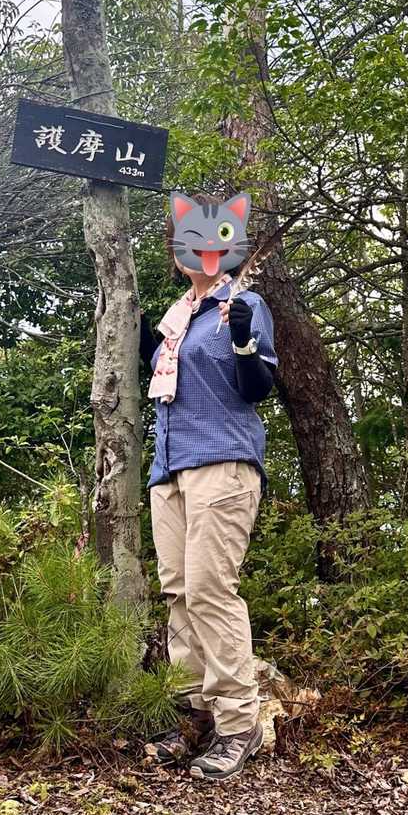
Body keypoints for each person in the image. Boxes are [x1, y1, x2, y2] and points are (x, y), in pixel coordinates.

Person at [140, 191, 277, 783]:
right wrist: (135, 331)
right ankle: (194, 714)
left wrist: (244, 340)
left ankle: (239, 724)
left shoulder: (243, 305)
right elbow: (167, 377)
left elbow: (257, 388)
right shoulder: (178, 319)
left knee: (209, 590)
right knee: (177, 592)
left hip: (222, 461)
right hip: (168, 468)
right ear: (179, 252)